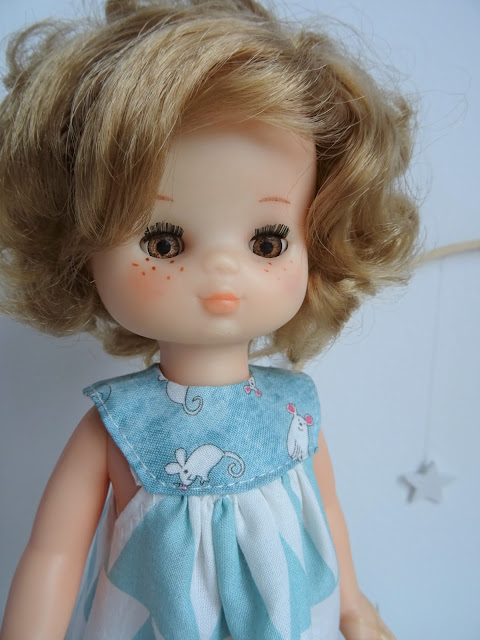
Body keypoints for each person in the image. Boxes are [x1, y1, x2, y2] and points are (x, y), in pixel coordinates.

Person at [0, 1, 419, 638]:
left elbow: (326, 512)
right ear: (77, 243)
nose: (222, 272)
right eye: (164, 242)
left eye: (268, 242)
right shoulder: (118, 426)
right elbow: (52, 554)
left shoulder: (294, 409)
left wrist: (354, 607)